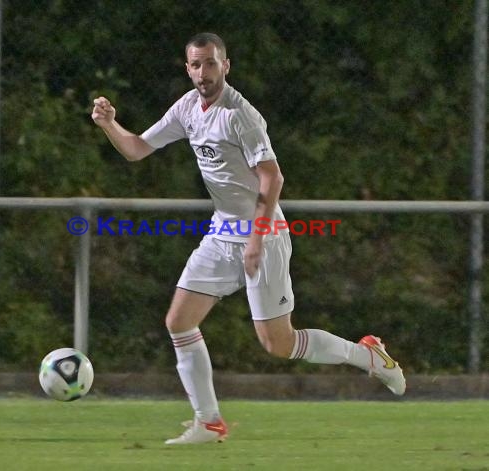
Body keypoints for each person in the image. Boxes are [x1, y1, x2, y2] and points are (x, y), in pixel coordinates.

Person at [91, 32, 406, 445]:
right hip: (223, 232)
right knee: (179, 321)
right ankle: (209, 422)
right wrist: (109, 123)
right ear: (187, 69)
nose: (204, 72)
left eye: (211, 63)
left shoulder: (240, 115)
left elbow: (272, 176)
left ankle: (368, 355)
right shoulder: (188, 107)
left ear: (226, 65)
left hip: (264, 234)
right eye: (196, 64)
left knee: (278, 343)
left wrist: (256, 239)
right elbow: (136, 149)